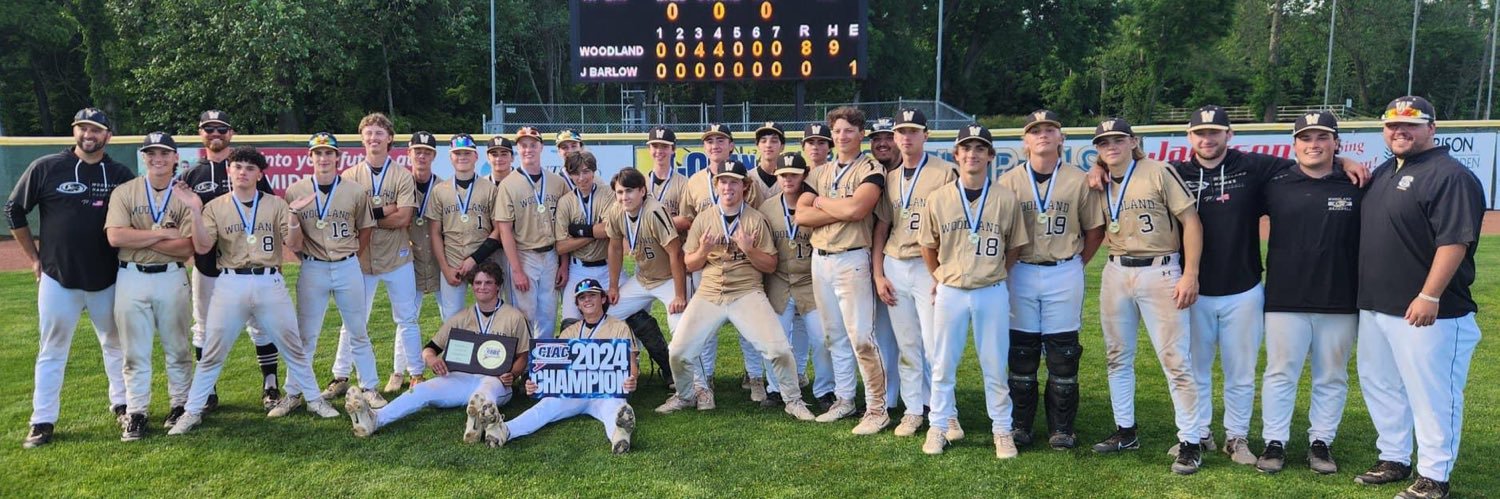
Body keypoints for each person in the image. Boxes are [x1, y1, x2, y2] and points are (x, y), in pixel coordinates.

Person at [1353, 96, 1484, 499]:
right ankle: (1394, 457)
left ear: (1432, 128)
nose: (1400, 131)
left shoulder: (1450, 175)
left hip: (1430, 312)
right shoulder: (1386, 170)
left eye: (1411, 124)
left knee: (1433, 396)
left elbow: (1454, 242)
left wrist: (1430, 295)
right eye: (1392, 125)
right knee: (1381, 385)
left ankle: (1434, 476)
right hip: (1377, 306)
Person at [169, 146, 337, 435]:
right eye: (238, 167)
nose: (243, 172)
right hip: (230, 281)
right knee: (211, 351)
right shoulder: (215, 206)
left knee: (293, 346)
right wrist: (195, 210)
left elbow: (294, 244)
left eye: (250, 168)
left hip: (268, 280)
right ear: (229, 171)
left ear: (260, 175)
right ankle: (192, 411)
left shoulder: (274, 204)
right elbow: (203, 246)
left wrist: (294, 216)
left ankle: (313, 399)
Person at [1085, 118, 1207, 475]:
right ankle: (1126, 431)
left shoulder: (1157, 171)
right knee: (1117, 356)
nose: (1111, 146)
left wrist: (1190, 273)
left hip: (1161, 269)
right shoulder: (1099, 179)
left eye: (1118, 139)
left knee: (1175, 360)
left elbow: (1192, 222)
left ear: (1132, 141)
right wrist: (1095, 169)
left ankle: (1190, 441)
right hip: (1116, 270)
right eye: (1104, 142)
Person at [653, 161, 817, 422]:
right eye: (723, 181)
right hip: (710, 292)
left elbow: (770, 264)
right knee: (678, 351)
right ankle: (685, 396)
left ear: (744, 186)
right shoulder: (705, 219)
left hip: (746, 291)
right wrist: (704, 251)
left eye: (734, 182)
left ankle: (793, 400)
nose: (728, 187)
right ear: (717, 186)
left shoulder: (755, 219)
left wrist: (749, 249)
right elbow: (689, 264)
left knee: (779, 350)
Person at [9, 108, 133, 448]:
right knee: (52, 349)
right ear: (74, 131)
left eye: (96, 129)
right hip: (57, 277)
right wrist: (34, 258)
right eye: (82, 128)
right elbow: (14, 209)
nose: (88, 135)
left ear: (108, 136)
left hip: (107, 276)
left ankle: (123, 405)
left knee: (115, 345)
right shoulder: (47, 167)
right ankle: (42, 420)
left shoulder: (120, 174)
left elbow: (139, 214)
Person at [1254, 111, 1361, 475]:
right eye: (1305, 138)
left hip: (1340, 299)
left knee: (1331, 374)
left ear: (1335, 142)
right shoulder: (1276, 182)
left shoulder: (1357, 183)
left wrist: (1348, 163)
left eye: (1321, 137)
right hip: (1286, 298)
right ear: (1295, 143)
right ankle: (1275, 441)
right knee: (1280, 372)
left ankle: (1321, 442)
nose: (1313, 145)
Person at [995, 110, 1104, 451]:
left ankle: (1062, 428)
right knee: (1022, 352)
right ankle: (1020, 425)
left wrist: (1074, 264)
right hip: (1021, 270)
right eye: (1035, 130)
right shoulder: (1008, 181)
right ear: (1025, 141)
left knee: (1063, 353)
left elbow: (1095, 230)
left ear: (1061, 138)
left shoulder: (1078, 179)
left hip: (1064, 267)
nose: (1043, 135)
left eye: (1050, 130)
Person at [919, 124, 1028, 458]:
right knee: (942, 364)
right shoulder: (938, 198)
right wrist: (940, 274)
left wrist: (996, 274)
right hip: (951, 289)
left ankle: (1001, 430)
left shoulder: (1006, 198)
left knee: (994, 365)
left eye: (980, 148)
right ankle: (938, 426)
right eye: (966, 148)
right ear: (956, 155)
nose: (972, 154)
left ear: (990, 156)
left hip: (991, 290)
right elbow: (927, 245)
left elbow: (1015, 247)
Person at [345, 262, 532, 445]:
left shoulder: (513, 316)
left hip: (495, 381)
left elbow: (523, 355)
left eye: (488, 283)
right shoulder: (461, 317)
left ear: (498, 286)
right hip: (460, 378)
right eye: (477, 283)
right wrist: (432, 359)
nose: (482, 287)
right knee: (421, 390)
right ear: (472, 286)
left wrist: (513, 374)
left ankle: (476, 421)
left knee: (484, 393)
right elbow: (430, 348)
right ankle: (375, 419)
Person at [177, 109, 280, 410]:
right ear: (201, 134)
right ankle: (207, 391)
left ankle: (270, 385)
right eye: (209, 129)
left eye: (221, 129)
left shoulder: (248, 169)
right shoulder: (190, 176)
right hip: (207, 265)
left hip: (248, 265)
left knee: (260, 324)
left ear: (230, 134)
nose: (215, 134)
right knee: (204, 328)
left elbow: (271, 213)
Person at [795, 106, 889, 432]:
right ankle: (845, 399)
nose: (841, 136)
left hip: (853, 258)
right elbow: (800, 216)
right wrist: (834, 208)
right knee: (834, 336)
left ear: (861, 133)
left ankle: (877, 408)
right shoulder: (820, 171)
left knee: (862, 337)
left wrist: (821, 203)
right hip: (820, 259)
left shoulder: (871, 167)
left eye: (848, 130)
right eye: (836, 131)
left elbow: (858, 208)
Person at [871, 107, 958, 438]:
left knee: (935, 345)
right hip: (895, 263)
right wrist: (878, 274)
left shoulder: (944, 172)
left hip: (928, 267)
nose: (906, 137)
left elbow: (955, 228)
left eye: (913, 131)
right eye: (901, 132)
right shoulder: (890, 178)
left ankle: (946, 412)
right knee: (907, 345)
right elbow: (882, 227)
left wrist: (941, 273)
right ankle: (912, 410)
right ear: (894, 137)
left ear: (926, 135)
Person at [103, 131, 195, 441]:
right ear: (144, 157)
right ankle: (137, 411)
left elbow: (186, 249)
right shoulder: (125, 191)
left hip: (171, 274)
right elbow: (116, 237)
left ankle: (180, 405)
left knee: (178, 347)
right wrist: (162, 235)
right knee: (134, 351)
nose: (158, 158)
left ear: (174, 158)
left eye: (164, 153)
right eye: (151, 152)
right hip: (131, 275)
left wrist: (140, 236)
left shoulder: (184, 194)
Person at [326, 113, 424, 400]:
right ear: (362, 138)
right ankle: (340, 375)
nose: (373, 138)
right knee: (353, 320)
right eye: (368, 134)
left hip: (397, 256)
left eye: (379, 134)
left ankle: (416, 373)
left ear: (389, 138)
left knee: (407, 318)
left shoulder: (403, 175)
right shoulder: (350, 176)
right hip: (363, 259)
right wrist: (384, 211)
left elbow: (404, 218)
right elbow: (348, 218)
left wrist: (368, 215)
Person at [284, 133, 384, 412]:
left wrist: (351, 254)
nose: (324, 158)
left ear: (338, 157)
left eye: (329, 153)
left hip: (347, 263)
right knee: (306, 334)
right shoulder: (296, 191)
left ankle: (370, 387)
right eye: (318, 153)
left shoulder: (354, 190)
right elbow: (291, 241)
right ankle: (294, 392)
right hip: (313, 266)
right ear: (310, 157)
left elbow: (365, 228)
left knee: (357, 330)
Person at [490, 279, 639, 453]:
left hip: (606, 391)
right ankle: (505, 430)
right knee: (545, 406)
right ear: (577, 304)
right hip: (573, 391)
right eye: (582, 297)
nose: (587, 300)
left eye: (592, 295)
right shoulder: (570, 332)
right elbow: (555, 370)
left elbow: (631, 362)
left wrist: (632, 379)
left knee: (615, 407)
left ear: (603, 299)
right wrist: (536, 385)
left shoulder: (619, 327)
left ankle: (619, 435)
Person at [756, 153, 840, 409]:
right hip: (779, 280)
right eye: (783, 174)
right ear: (777, 177)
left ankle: (825, 390)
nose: (788, 179)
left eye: (793, 173)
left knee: (824, 339)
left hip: (810, 281)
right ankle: (775, 388)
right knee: (775, 340)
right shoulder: (767, 208)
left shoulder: (817, 203)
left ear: (804, 175)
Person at [603, 168, 690, 390]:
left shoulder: (654, 212)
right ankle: (619, 369)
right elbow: (614, 247)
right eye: (620, 192)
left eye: (629, 191)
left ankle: (690, 382)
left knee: (680, 328)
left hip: (669, 279)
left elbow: (675, 253)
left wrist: (680, 294)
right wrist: (613, 286)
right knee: (608, 316)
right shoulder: (616, 210)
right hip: (642, 279)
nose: (624, 197)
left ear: (643, 191)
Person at [495, 126, 570, 338]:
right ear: (517, 150)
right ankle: (522, 362)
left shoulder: (557, 182)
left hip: (551, 254)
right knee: (524, 312)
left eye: (533, 145)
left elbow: (564, 227)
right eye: (523, 145)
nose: (528, 149)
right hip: (524, 254)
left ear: (541, 147)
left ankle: (540, 364)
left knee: (548, 313)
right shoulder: (508, 184)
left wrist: (564, 264)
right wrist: (517, 270)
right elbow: (505, 231)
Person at [427, 133, 503, 321]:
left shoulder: (489, 188)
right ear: (450, 157)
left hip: (484, 259)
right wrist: (444, 268)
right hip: (452, 261)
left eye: (467, 153)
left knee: (491, 313)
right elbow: (435, 233)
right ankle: (456, 352)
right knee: (452, 318)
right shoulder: (440, 190)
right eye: (457, 153)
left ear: (476, 156)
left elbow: (499, 229)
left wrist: (475, 259)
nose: (462, 157)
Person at [401, 131, 443, 392]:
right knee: (407, 317)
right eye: (417, 151)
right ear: (409, 154)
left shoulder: (443, 188)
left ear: (434, 156)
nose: (422, 156)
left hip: (438, 259)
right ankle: (402, 370)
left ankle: (455, 364)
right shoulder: (400, 184)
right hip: (408, 259)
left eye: (427, 152)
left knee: (449, 316)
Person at [555, 150, 616, 321]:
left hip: (607, 267)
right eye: (575, 173)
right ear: (569, 174)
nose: (581, 178)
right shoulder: (565, 201)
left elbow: (608, 230)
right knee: (570, 321)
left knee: (629, 315)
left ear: (594, 171)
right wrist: (593, 233)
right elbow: (561, 246)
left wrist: (576, 231)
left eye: (586, 171)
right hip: (577, 269)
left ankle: (632, 348)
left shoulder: (607, 193)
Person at [642, 126, 687, 219]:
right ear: (649, 149)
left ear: (673, 149)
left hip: (674, 234)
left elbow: (685, 220)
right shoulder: (640, 182)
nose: (659, 151)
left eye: (664, 146)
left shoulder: (684, 183)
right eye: (655, 146)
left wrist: (658, 226)